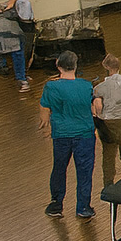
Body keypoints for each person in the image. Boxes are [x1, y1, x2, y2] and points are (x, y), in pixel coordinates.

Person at [38, 51, 97, 219]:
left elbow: (44, 110)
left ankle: (56, 205)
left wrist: (44, 124)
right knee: (84, 171)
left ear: (58, 65)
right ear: (76, 66)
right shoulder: (86, 86)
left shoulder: (51, 86)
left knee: (59, 168)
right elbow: (93, 106)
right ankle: (83, 207)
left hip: (61, 134)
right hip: (85, 134)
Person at [90, 53, 121, 188]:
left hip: (107, 124)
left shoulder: (99, 88)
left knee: (109, 155)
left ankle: (108, 184)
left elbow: (97, 106)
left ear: (106, 67)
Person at [0, 0, 35, 92]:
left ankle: (23, 75)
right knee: (19, 53)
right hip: (23, 27)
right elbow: (10, 4)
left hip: (28, 27)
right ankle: (21, 79)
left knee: (26, 52)